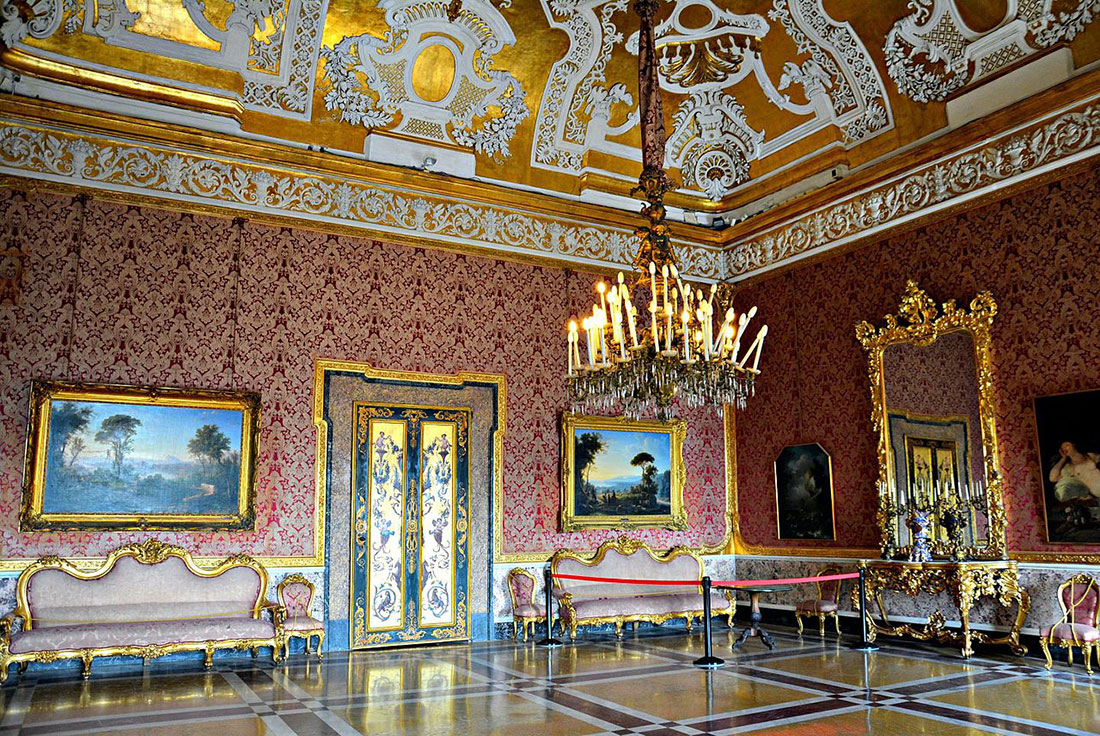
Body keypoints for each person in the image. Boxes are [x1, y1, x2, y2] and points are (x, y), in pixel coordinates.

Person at [1049, 440, 1100, 529]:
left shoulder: (1090, 457)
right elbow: (1053, 477)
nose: (1065, 449)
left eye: (1067, 445)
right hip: (1090, 498)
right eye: (1062, 448)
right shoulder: (1069, 467)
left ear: (1074, 444)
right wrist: (1063, 459)